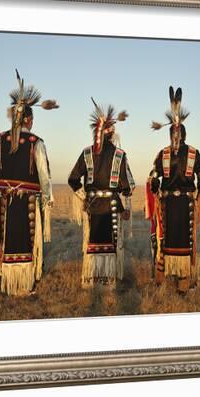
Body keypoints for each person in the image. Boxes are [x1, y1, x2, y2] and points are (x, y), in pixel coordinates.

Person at [0, 70, 59, 296]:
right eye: (31, 120)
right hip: (28, 202)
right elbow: (43, 174)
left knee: (1, 237)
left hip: (4, 200)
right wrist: (48, 197)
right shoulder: (36, 142)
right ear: (29, 120)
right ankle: (23, 283)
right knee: (26, 240)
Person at [146, 86, 200, 295]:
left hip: (172, 204)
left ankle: (169, 278)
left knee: (170, 238)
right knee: (179, 239)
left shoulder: (167, 154)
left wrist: (156, 190)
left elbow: (154, 179)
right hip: (181, 204)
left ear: (175, 133)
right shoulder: (192, 153)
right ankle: (178, 280)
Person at [68, 98, 135, 288]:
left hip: (92, 206)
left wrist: (84, 197)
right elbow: (128, 186)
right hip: (112, 207)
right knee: (112, 243)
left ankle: (92, 279)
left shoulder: (86, 153)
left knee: (92, 242)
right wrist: (126, 206)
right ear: (112, 134)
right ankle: (108, 280)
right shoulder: (119, 155)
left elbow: (72, 179)